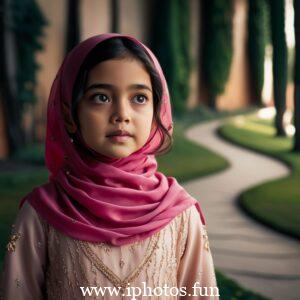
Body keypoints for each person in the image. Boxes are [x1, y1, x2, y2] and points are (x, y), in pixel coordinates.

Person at [0, 33, 219, 299]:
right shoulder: (42, 215)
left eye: (139, 98)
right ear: (69, 116)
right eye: (101, 97)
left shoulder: (181, 216)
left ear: (156, 112)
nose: (122, 115)